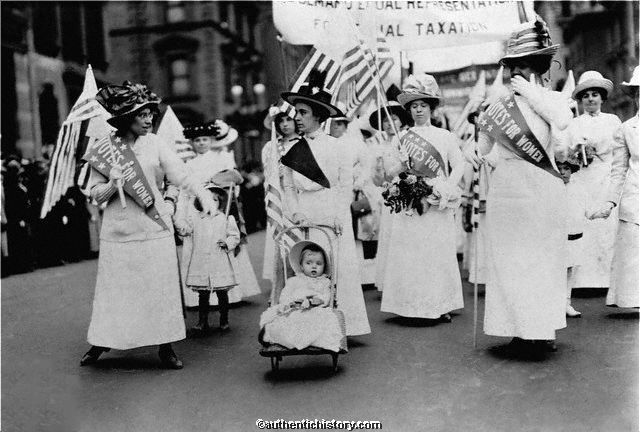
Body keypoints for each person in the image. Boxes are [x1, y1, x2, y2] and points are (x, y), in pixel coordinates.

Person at [79, 81, 217, 369]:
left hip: (154, 227)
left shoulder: (155, 143)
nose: (149, 119)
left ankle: (165, 345)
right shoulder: (105, 148)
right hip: (119, 229)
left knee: (160, 289)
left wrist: (203, 193)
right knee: (116, 290)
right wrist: (110, 183)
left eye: (151, 114)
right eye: (142, 115)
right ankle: (103, 340)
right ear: (127, 117)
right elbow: (93, 194)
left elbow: (180, 174)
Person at [465, 16, 572, 354]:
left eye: (523, 67)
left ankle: (541, 331)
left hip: (541, 188)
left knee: (540, 260)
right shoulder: (498, 108)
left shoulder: (552, 100)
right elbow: (482, 146)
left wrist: (532, 93)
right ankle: (517, 329)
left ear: (536, 67)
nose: (515, 74)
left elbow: (564, 121)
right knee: (510, 261)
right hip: (508, 190)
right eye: (512, 68)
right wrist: (473, 152)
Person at [280, 70, 371, 337]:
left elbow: (344, 185)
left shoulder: (337, 147)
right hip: (303, 214)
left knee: (336, 268)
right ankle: (309, 328)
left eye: (302, 112)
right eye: (295, 112)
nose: (296, 117)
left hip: (331, 213)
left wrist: (337, 216)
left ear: (318, 116)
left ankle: (342, 326)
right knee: (305, 268)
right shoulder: (291, 150)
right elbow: (287, 187)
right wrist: (294, 212)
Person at [378, 74, 465, 322]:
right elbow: (390, 172)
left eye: (423, 105)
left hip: (437, 202)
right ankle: (410, 306)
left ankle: (441, 304)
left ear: (431, 108)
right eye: (414, 106)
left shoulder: (444, 136)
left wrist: (446, 187)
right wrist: (401, 166)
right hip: (409, 202)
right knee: (411, 254)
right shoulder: (400, 138)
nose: (418, 110)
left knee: (436, 253)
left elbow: (458, 164)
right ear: (408, 109)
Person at [176, 120, 261, 308]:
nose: (201, 143)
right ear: (192, 143)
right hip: (195, 208)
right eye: (197, 140)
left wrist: (225, 196)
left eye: (205, 139)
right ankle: (199, 295)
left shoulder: (221, 160)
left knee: (219, 246)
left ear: (211, 140)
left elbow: (232, 186)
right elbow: (184, 190)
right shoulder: (188, 165)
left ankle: (227, 293)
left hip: (218, 207)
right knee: (198, 249)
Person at [566, 71, 622, 290]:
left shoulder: (613, 120)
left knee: (607, 228)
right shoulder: (575, 124)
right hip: (584, 177)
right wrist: (579, 152)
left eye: (595, 95)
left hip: (606, 177)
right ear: (581, 99)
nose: (590, 99)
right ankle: (584, 280)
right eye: (586, 95)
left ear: (602, 98)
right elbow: (569, 152)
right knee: (586, 226)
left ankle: (607, 280)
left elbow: (619, 151)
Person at [598, 66, 639, 308]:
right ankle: (633, 298)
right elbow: (618, 170)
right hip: (635, 198)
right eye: (638, 94)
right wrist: (610, 201)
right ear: (634, 97)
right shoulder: (626, 128)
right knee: (633, 254)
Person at [259, 241, 343, 352]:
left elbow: (326, 297)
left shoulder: (324, 282)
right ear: (301, 266)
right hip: (295, 309)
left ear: (324, 266)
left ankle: (306, 340)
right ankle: (274, 334)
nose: (314, 266)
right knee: (288, 321)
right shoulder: (294, 281)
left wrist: (316, 301)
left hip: (315, 310)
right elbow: (285, 295)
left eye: (318, 264)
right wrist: (289, 303)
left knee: (322, 321)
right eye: (308, 263)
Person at [180, 185, 240, 333]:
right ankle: (202, 321)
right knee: (203, 294)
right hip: (201, 262)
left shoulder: (225, 218)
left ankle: (224, 319)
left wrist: (227, 243)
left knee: (222, 292)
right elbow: (185, 231)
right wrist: (179, 223)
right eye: (208, 200)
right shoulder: (195, 218)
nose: (212, 203)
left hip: (219, 260)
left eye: (215, 200)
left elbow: (234, 236)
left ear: (220, 202)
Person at [369, 85, 411, 292]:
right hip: (389, 195)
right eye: (386, 120)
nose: (389, 124)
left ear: (402, 121)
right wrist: (378, 167)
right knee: (389, 236)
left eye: (393, 119)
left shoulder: (408, 139)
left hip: (408, 193)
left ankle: (406, 281)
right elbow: (376, 179)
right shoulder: (377, 146)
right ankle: (390, 284)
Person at [261, 107, 300, 293]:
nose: (285, 124)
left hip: (299, 195)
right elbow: (268, 174)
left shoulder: (302, 144)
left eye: (289, 120)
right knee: (280, 237)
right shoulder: (271, 147)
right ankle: (281, 284)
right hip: (279, 196)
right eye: (281, 121)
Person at [557, 158, 596, 317]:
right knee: (554, 271)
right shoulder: (550, 188)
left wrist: (601, 212)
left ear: (572, 170)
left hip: (573, 237)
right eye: (559, 168)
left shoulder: (579, 189)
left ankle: (566, 304)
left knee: (568, 270)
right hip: (555, 239)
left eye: (566, 168)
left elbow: (589, 211)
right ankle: (551, 305)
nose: (562, 172)